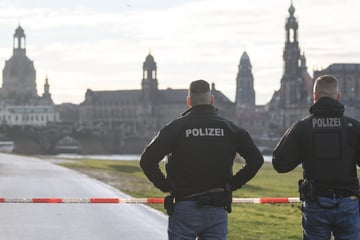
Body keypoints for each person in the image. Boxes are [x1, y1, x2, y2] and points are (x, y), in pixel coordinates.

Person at [140, 79, 264, 240]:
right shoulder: (230, 128)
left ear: (189, 101)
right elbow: (256, 159)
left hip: (184, 205)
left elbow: (147, 160)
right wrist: (232, 184)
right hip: (216, 205)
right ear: (212, 101)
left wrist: (165, 186)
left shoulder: (176, 128)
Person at [272, 75, 360, 239]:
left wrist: (302, 151)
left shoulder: (303, 127)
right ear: (338, 97)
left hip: (316, 201)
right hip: (348, 201)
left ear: (314, 97)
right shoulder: (353, 127)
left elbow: (279, 163)